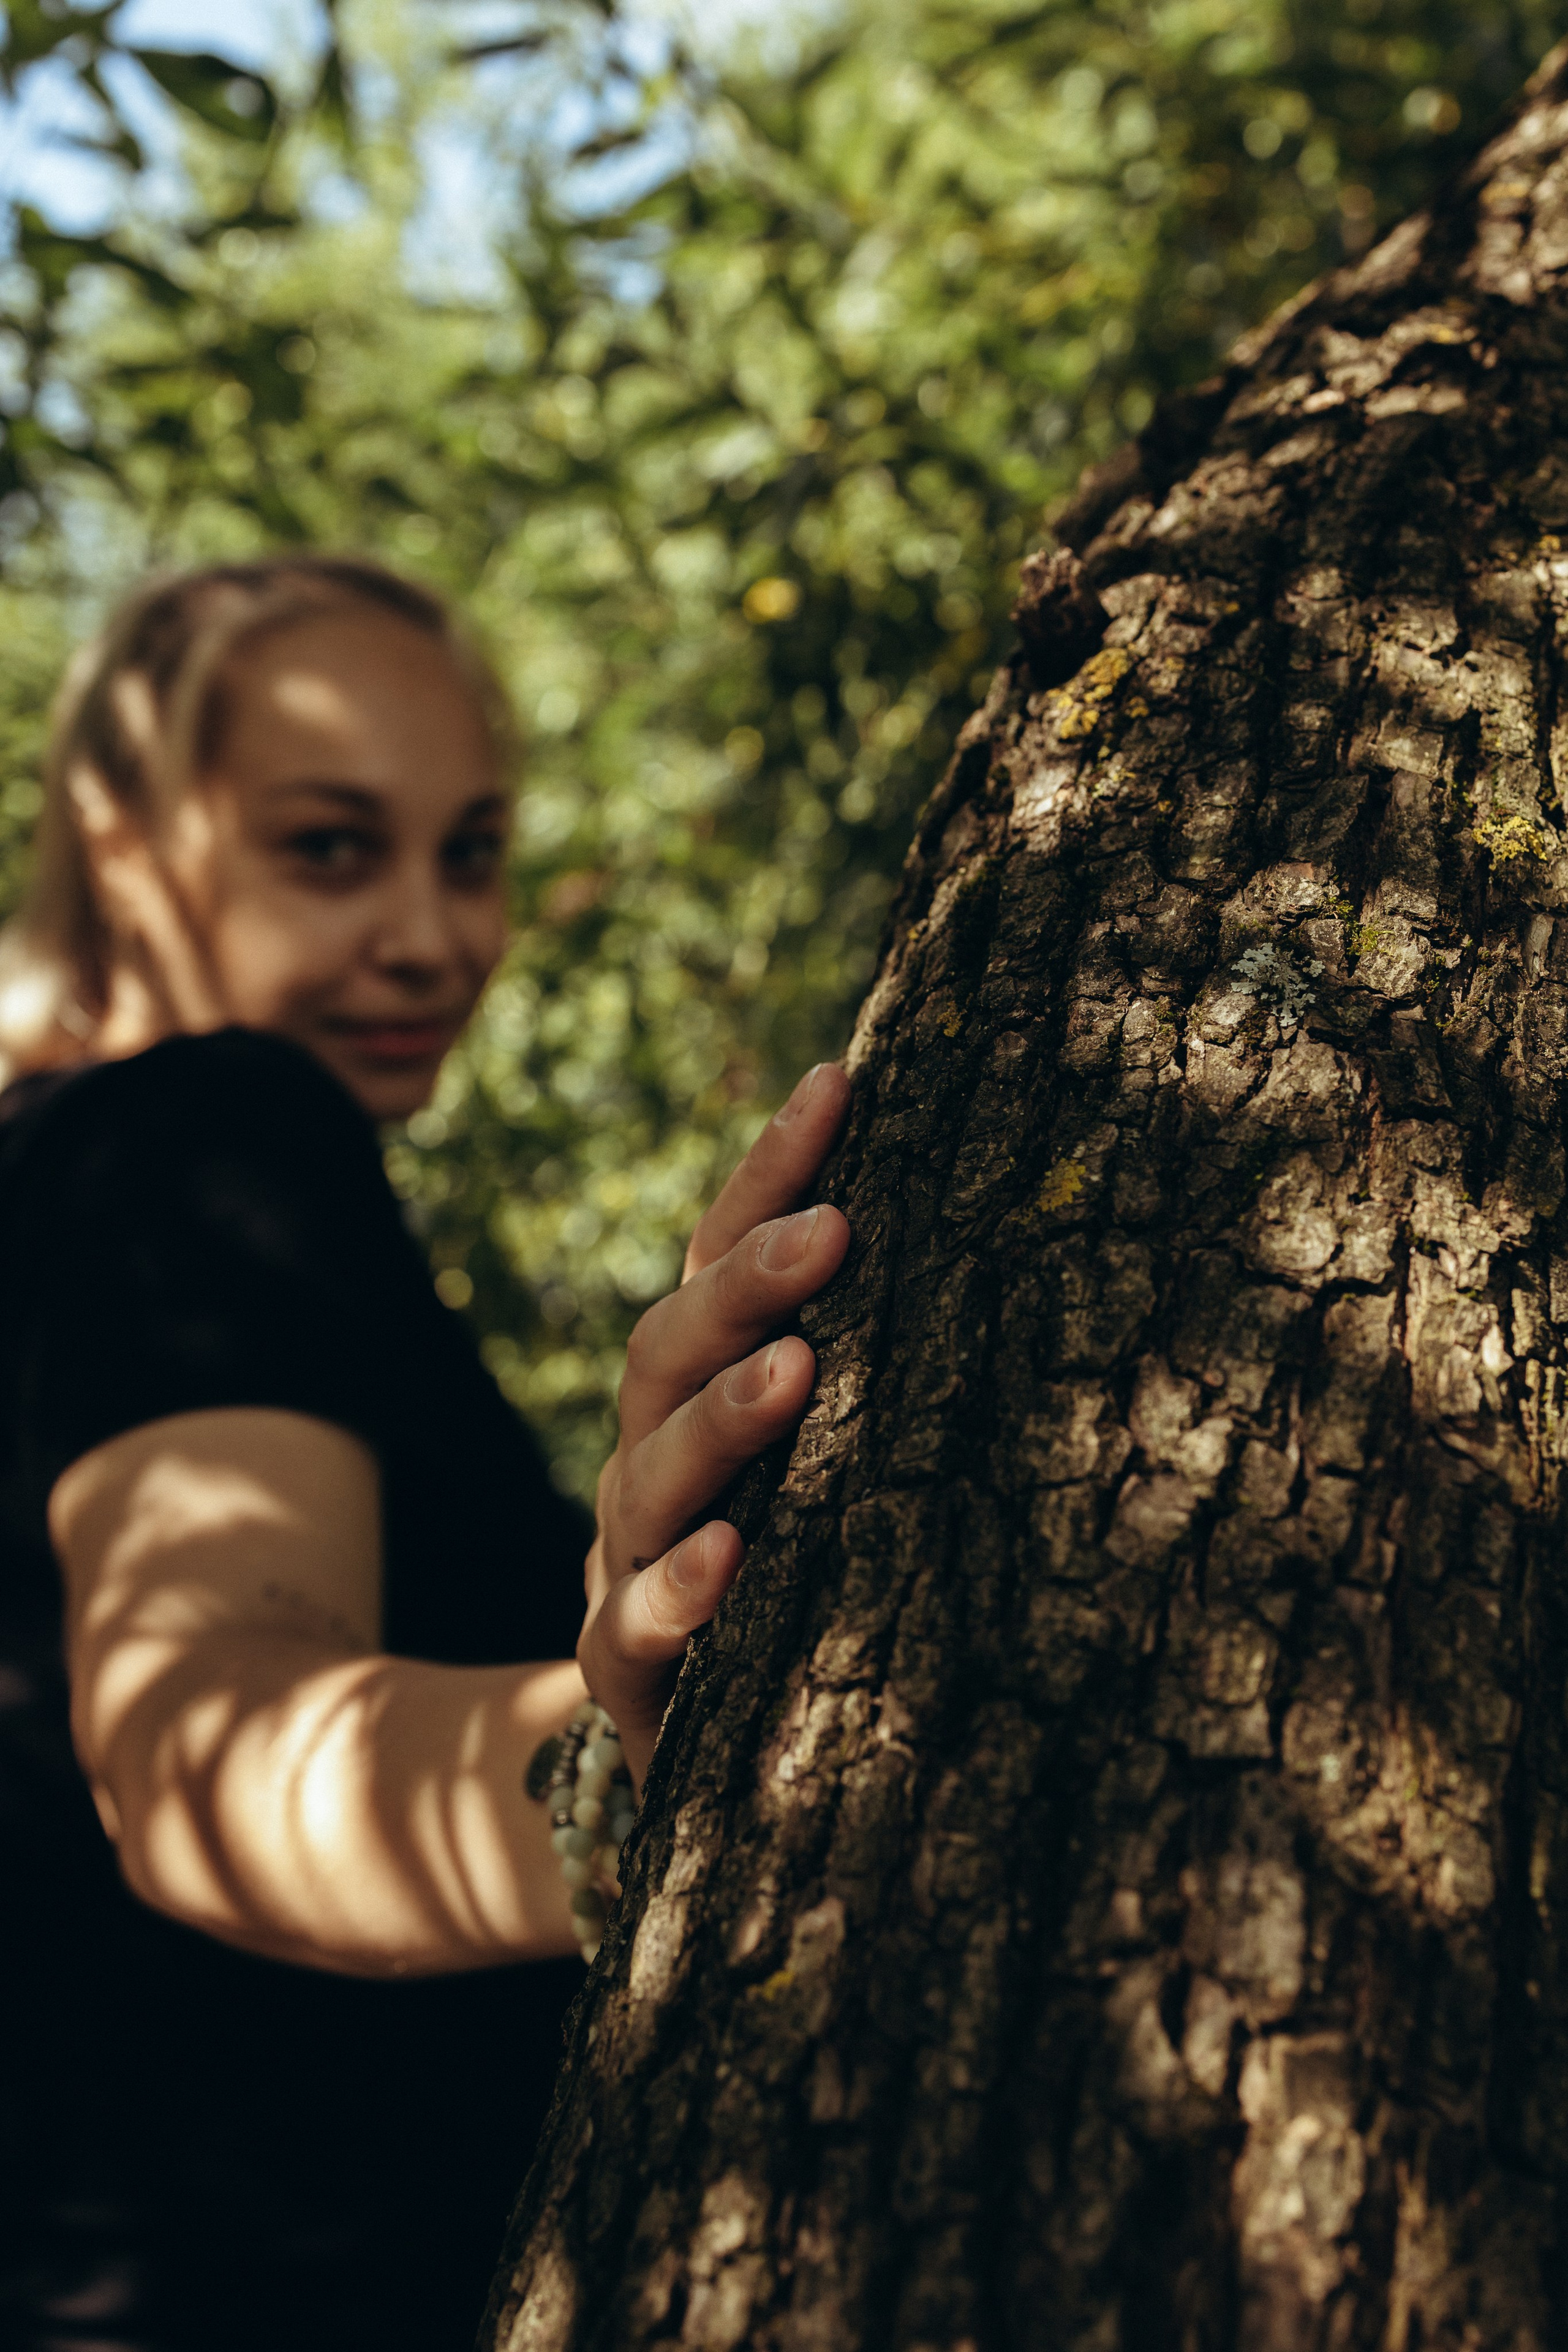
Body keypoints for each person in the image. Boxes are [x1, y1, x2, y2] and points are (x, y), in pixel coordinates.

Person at [0, 555, 850, 2351]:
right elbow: (205, 1744)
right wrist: (631, 1760)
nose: (428, 935)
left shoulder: (54, 1174)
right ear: (127, 839)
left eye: (468, 852)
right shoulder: (204, 1134)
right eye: (331, 846)